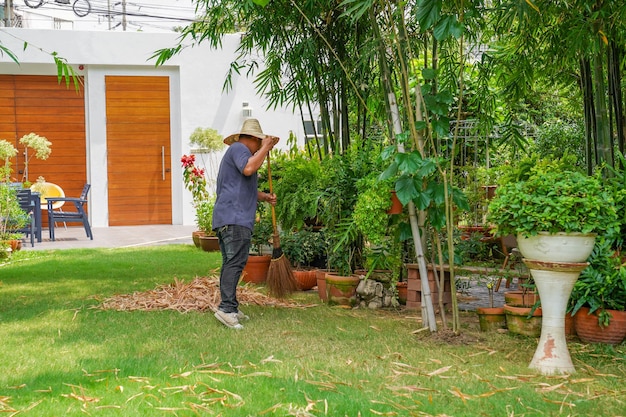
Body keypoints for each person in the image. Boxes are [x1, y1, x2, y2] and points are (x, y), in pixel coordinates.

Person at [212, 118, 279, 329]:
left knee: (234, 262)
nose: (259, 147)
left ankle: (230, 306)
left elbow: (244, 185)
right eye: (259, 142)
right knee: (234, 262)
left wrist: (265, 197)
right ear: (252, 139)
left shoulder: (239, 153)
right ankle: (226, 309)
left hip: (229, 217)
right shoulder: (240, 149)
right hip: (234, 217)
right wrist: (266, 148)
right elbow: (249, 169)